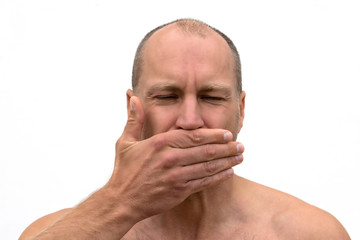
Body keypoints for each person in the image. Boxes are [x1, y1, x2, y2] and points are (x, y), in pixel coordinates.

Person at [19, 18, 350, 240]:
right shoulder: (58, 231)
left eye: (211, 96)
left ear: (241, 110)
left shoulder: (307, 232)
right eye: (166, 96)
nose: (190, 120)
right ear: (133, 109)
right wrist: (120, 204)